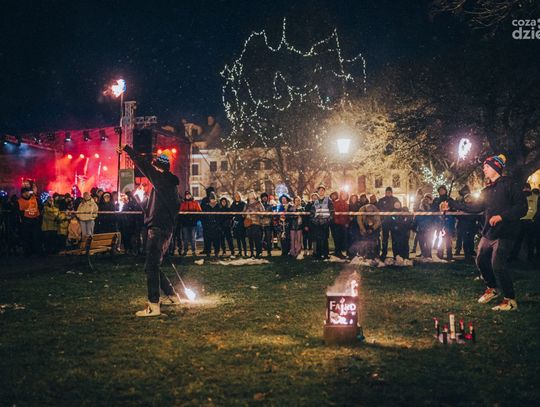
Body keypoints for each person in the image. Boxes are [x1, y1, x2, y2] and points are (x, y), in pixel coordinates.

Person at [441, 154, 527, 311]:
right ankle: (492, 289)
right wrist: (452, 203)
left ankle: (510, 300)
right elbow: (474, 207)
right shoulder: (487, 190)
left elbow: (522, 207)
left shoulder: (510, 184)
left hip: (505, 233)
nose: (484, 169)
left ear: (495, 167)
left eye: (487, 166)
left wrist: (501, 216)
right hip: (489, 233)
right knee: (480, 259)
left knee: (498, 265)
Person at [119, 145, 181, 317]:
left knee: (151, 266)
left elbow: (143, 165)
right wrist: (136, 201)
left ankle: (154, 305)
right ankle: (172, 295)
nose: (152, 170)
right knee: (152, 265)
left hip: (158, 230)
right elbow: (153, 209)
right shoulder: (168, 186)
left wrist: (128, 149)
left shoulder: (162, 181)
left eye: (154, 167)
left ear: (158, 168)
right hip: (163, 229)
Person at [509, 183, 538, 262]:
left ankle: (513, 256)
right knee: (530, 240)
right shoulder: (534, 196)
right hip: (531, 221)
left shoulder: (520, 196)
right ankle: (530, 256)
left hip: (520, 221)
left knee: (518, 240)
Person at [310, 185, 334, 259]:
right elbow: (312, 213)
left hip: (325, 223)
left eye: (323, 190)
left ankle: (326, 254)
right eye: (320, 190)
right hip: (317, 223)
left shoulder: (328, 200)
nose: (321, 191)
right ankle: (318, 254)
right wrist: (315, 221)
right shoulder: (315, 201)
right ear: (317, 191)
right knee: (318, 239)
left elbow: (332, 212)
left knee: (325, 239)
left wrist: (327, 221)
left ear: (324, 191)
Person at [431, 185, 455, 261]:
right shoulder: (436, 200)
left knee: (448, 241)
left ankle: (449, 256)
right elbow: (433, 209)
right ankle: (440, 255)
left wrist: (449, 207)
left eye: (443, 190)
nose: (441, 191)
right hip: (439, 222)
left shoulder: (450, 199)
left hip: (448, 222)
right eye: (440, 190)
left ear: (445, 190)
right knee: (440, 240)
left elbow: (454, 209)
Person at [377, 187, 400, 260]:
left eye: (389, 192)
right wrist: (382, 218)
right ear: (385, 192)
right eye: (387, 192)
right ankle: (384, 253)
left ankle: (396, 254)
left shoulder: (395, 199)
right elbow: (378, 210)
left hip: (394, 223)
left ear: (391, 192)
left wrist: (394, 217)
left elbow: (398, 209)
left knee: (394, 239)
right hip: (385, 222)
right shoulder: (381, 200)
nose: (388, 193)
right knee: (385, 239)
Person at [18, 187, 41, 255]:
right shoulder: (20, 201)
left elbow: (39, 207)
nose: (28, 193)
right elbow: (18, 213)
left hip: (35, 220)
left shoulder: (34, 198)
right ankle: (27, 252)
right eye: (27, 192)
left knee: (36, 237)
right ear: (23, 193)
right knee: (26, 238)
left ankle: (35, 251)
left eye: (28, 192)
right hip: (26, 222)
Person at [179, 191, 202, 256]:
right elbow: (180, 213)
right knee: (185, 238)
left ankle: (193, 251)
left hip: (193, 223)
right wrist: (183, 221)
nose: (188, 196)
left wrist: (195, 219)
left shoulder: (195, 203)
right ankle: (185, 251)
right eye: (187, 195)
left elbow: (199, 212)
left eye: (189, 195)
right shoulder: (183, 204)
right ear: (185, 196)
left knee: (193, 238)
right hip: (185, 224)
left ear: (191, 195)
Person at [244, 192, 264, 257]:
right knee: (250, 239)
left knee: (257, 239)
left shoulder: (258, 203)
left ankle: (259, 252)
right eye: (249, 194)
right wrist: (246, 214)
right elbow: (243, 213)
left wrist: (255, 212)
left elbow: (263, 212)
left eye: (252, 194)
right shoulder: (246, 204)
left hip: (256, 223)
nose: (251, 195)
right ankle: (252, 253)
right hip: (248, 223)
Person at [203, 193, 222, 258]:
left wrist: (218, 225)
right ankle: (208, 253)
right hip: (208, 226)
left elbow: (220, 217)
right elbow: (204, 216)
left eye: (213, 199)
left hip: (216, 226)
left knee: (216, 241)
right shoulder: (206, 206)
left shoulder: (218, 206)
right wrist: (205, 224)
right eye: (211, 199)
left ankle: (216, 252)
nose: (212, 200)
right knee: (207, 241)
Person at [332, 190, 351, 258]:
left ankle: (341, 252)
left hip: (344, 224)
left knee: (343, 238)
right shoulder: (336, 202)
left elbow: (347, 214)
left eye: (345, 195)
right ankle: (338, 252)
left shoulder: (346, 203)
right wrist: (337, 221)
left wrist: (347, 222)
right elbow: (334, 213)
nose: (344, 196)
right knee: (337, 238)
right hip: (337, 224)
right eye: (343, 195)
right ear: (341, 195)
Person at [415, 194, 434, 259]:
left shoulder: (431, 210)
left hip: (429, 229)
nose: (425, 203)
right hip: (421, 229)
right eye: (424, 202)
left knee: (428, 243)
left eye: (426, 202)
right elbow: (416, 219)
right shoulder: (419, 211)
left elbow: (432, 219)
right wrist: (415, 227)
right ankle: (423, 254)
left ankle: (429, 255)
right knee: (421, 242)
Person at [454, 185, 471, 256]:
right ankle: (458, 249)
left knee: (466, 237)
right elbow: (456, 207)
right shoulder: (459, 198)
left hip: (467, 220)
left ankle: (467, 251)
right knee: (459, 236)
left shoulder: (469, 197)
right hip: (460, 220)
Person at [231, 192, 248, 257]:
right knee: (238, 238)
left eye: (238, 196)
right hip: (236, 223)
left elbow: (244, 212)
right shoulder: (233, 204)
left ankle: (245, 252)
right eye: (236, 196)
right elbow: (231, 211)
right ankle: (240, 251)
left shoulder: (243, 203)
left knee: (243, 238)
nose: (237, 197)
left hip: (242, 222)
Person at [260, 192, 274, 256]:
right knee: (260, 238)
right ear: (261, 198)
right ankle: (260, 251)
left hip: (268, 224)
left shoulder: (269, 206)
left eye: (265, 197)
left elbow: (271, 215)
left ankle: (269, 251)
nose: (264, 198)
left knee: (268, 238)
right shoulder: (259, 205)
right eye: (263, 197)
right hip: (260, 224)